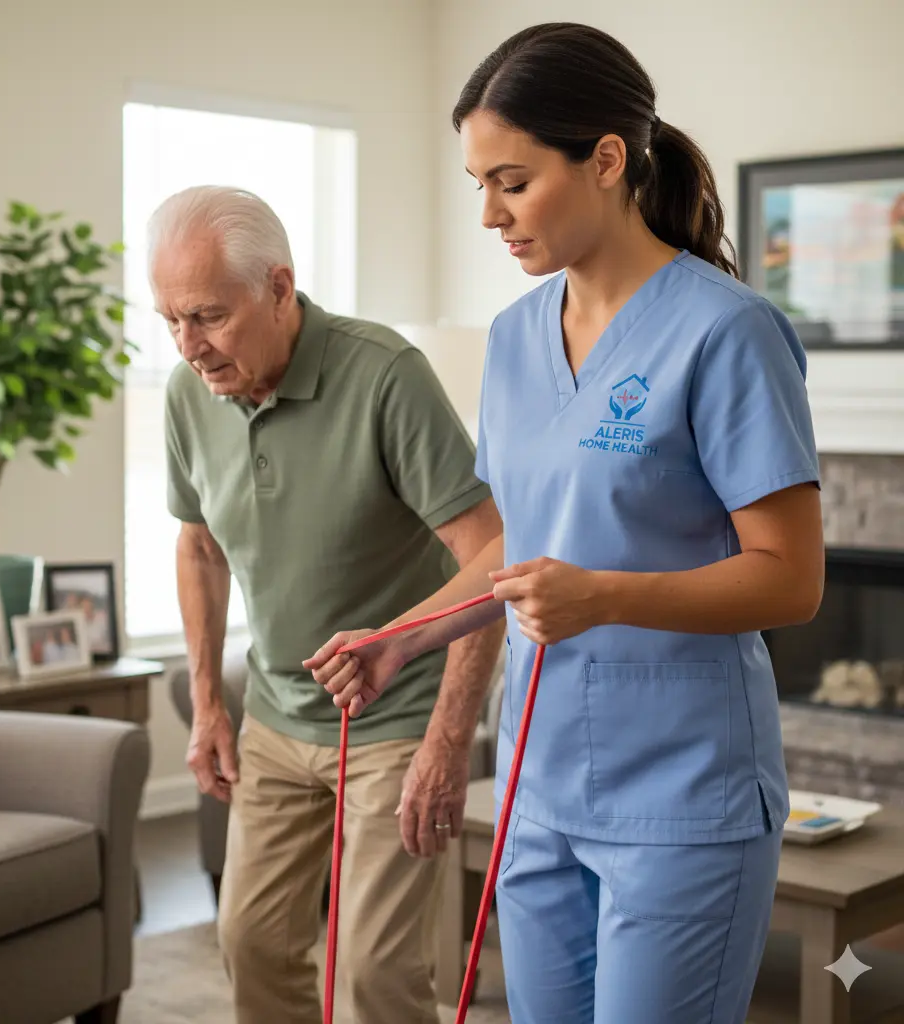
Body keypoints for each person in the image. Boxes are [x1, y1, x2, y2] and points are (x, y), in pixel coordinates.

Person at [307, 22, 825, 1024]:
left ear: (605, 159)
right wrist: (404, 639)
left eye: (512, 180)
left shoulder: (726, 332)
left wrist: (603, 597)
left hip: (684, 798)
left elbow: (789, 578)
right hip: (536, 790)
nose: (490, 215)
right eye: (478, 186)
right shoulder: (511, 340)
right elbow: (521, 547)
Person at [149, 185, 504, 1024]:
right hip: (276, 719)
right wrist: (207, 704)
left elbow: (493, 555)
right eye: (170, 319)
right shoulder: (184, 393)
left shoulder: (385, 376)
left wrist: (449, 740)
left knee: (371, 978)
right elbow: (198, 545)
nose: (189, 346)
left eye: (207, 315)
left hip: (395, 719)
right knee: (253, 944)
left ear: (279, 287)